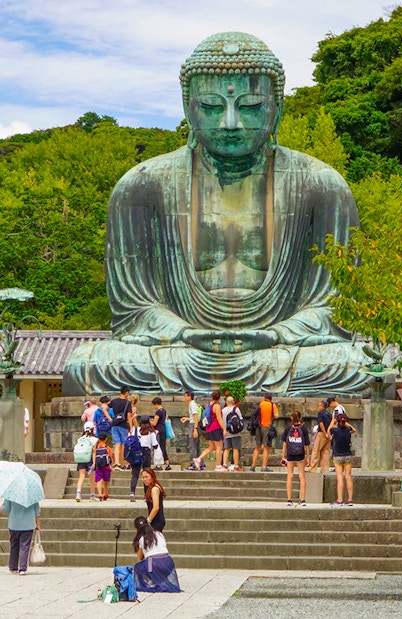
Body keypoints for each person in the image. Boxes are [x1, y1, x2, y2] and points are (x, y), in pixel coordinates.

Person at [62, 31, 368, 398]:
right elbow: (135, 309)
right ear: (188, 107)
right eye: (211, 106)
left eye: (251, 105)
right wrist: (183, 332)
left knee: (360, 364)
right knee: (90, 364)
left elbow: (336, 307)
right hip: (182, 349)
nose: (230, 123)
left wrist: (276, 334)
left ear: (277, 107)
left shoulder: (321, 186)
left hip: (280, 349)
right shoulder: (141, 187)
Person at [132, 516, 181, 593]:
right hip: (168, 563)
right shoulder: (159, 534)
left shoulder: (142, 539)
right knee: (154, 564)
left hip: (154, 564)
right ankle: (158, 581)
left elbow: (140, 557)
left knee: (138, 567)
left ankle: (151, 583)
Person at [2, 499, 40, 575]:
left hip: (14, 524)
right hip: (28, 524)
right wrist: (38, 524)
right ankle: (22, 568)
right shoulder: (32, 495)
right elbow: (37, 511)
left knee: (14, 545)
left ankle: (13, 567)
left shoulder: (11, 494)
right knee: (25, 546)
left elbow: (5, 509)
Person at [281, 410, 310, 507]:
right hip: (300, 454)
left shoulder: (288, 429)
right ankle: (302, 500)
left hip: (290, 454)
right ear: (300, 418)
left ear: (291, 418)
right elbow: (307, 445)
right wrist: (308, 457)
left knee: (290, 476)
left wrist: (283, 456)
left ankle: (289, 499)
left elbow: (284, 444)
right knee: (302, 476)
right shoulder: (303, 429)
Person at [328, 412, 356, 506]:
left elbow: (328, 431)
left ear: (338, 421)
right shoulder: (348, 429)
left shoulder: (335, 431)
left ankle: (340, 499)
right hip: (348, 455)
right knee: (348, 477)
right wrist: (346, 423)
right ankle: (350, 499)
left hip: (338, 455)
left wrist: (333, 421)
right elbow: (354, 430)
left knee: (340, 478)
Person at [194, 390, 227, 471]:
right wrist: (224, 428)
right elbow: (219, 418)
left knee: (211, 447)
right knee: (219, 447)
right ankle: (218, 465)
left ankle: (198, 459)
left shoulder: (209, 404)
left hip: (209, 428)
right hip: (216, 428)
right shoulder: (217, 406)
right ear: (219, 397)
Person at [129, 415, 159, 502]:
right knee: (146, 475)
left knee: (135, 475)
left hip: (136, 453)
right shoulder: (151, 433)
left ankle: (132, 493)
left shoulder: (137, 430)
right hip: (146, 452)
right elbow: (155, 445)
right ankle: (146, 495)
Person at [250, 393, 279, 472]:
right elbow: (277, 415)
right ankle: (263, 466)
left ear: (264, 398)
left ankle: (253, 465)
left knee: (257, 446)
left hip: (258, 426)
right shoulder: (272, 405)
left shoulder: (260, 404)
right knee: (266, 447)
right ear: (271, 398)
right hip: (267, 427)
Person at [75, 421, 99, 502]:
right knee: (91, 478)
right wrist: (94, 463)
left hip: (81, 458)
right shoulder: (94, 439)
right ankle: (92, 495)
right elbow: (94, 451)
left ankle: (78, 493)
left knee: (81, 476)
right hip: (89, 460)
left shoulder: (80, 439)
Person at [110, 385, 132, 470]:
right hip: (123, 425)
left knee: (117, 444)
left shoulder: (114, 401)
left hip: (115, 424)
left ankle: (116, 463)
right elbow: (129, 416)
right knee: (124, 444)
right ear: (126, 393)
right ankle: (123, 463)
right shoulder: (127, 402)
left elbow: (104, 409)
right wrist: (130, 427)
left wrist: (110, 419)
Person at [309, 400, 332, 473]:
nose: (318, 407)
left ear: (322, 406)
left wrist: (325, 433)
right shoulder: (329, 414)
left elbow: (321, 424)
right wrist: (329, 433)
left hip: (322, 433)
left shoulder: (320, 413)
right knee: (325, 453)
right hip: (328, 434)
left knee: (316, 451)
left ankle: (313, 468)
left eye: (319, 405)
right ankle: (325, 470)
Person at [221, 395, 244, 471]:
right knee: (235, 449)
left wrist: (224, 430)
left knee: (226, 449)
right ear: (233, 402)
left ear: (226, 402)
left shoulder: (223, 410)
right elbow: (241, 420)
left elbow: (222, 421)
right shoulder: (236, 409)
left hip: (227, 432)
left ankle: (224, 464)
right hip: (236, 433)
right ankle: (236, 465)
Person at [180, 390, 201, 470]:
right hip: (195, 424)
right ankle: (201, 464)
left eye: (185, 396)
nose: (184, 398)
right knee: (197, 446)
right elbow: (194, 417)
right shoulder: (193, 404)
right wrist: (187, 419)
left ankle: (193, 465)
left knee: (193, 446)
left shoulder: (192, 404)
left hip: (193, 426)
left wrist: (195, 429)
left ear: (189, 396)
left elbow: (195, 416)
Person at [151, 397, 171, 471]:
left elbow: (154, 423)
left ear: (156, 404)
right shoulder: (164, 411)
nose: (154, 407)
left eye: (154, 405)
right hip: (163, 430)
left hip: (158, 431)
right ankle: (167, 464)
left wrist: (148, 421)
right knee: (163, 447)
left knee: (158, 448)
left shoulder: (158, 412)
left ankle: (159, 465)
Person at [93, 432, 113, 501]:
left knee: (99, 480)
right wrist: (111, 467)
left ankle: (99, 494)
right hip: (106, 466)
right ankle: (105, 494)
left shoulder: (96, 447)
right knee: (106, 481)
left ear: (98, 439)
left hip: (98, 467)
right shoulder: (108, 448)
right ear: (106, 439)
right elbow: (110, 457)